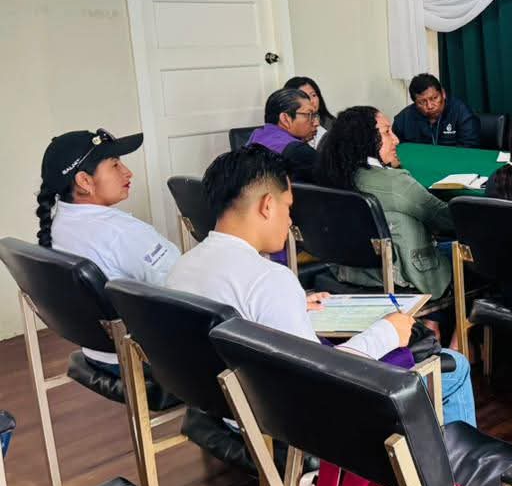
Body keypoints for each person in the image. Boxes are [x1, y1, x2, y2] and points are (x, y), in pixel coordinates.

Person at [166, 146, 475, 426]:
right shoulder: (269, 279)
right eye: (288, 208)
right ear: (267, 206)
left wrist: (292, 304)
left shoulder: (182, 267)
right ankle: (451, 470)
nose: (290, 221)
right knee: (455, 367)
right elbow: (318, 379)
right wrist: (387, 333)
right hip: (285, 416)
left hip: (223, 407)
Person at [35, 129, 180, 369]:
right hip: (146, 358)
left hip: (99, 352)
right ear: (84, 181)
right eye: (114, 165)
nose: (127, 172)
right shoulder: (121, 233)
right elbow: (184, 287)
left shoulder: (59, 224)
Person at [314, 106, 454, 302]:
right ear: (365, 139)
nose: (396, 140)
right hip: (404, 275)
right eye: (387, 132)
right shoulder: (395, 183)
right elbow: (446, 220)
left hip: (349, 272)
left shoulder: (333, 175)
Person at [247, 88, 320, 181]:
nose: (316, 123)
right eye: (309, 115)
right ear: (285, 119)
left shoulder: (256, 135)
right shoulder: (297, 151)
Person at [392, 73, 480, 148]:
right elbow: (395, 149)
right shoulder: (403, 120)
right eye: (422, 102)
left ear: (443, 94)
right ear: (415, 103)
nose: (430, 106)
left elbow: (469, 149)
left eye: (434, 98)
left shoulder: (461, 113)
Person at [283, 76, 336, 148]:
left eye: (313, 95)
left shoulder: (333, 124)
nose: (311, 101)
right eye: (304, 96)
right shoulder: (285, 127)